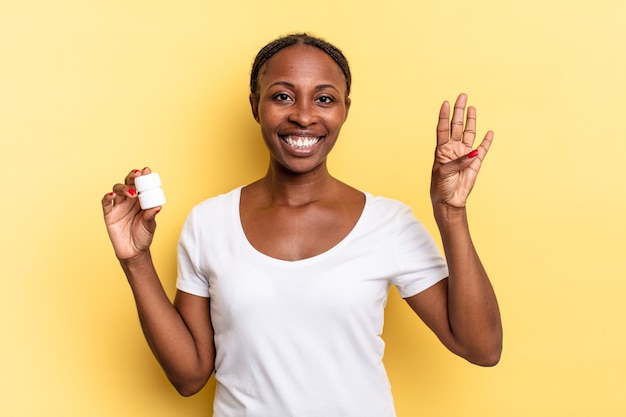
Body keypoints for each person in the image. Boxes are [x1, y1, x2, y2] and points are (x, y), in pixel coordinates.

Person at [102, 33, 502, 417]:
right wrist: (136, 261)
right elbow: (189, 376)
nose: (304, 115)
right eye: (282, 96)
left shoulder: (388, 224)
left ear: (345, 108)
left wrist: (451, 213)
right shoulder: (208, 222)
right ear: (255, 105)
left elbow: (482, 349)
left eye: (324, 99)